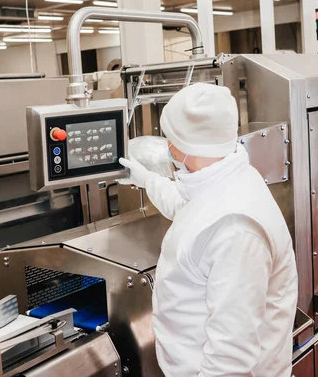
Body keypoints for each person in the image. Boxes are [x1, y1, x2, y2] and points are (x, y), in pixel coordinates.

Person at [118, 83, 298, 377]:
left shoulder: (237, 229)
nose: (167, 148)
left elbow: (231, 358)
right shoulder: (228, 177)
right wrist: (147, 179)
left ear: (187, 146)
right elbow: (188, 207)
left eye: (170, 139)